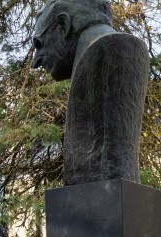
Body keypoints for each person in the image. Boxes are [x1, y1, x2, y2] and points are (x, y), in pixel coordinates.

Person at [32, 0, 148, 185]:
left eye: (39, 44)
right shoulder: (109, 53)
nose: (35, 61)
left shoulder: (107, 51)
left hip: (103, 197)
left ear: (64, 24)